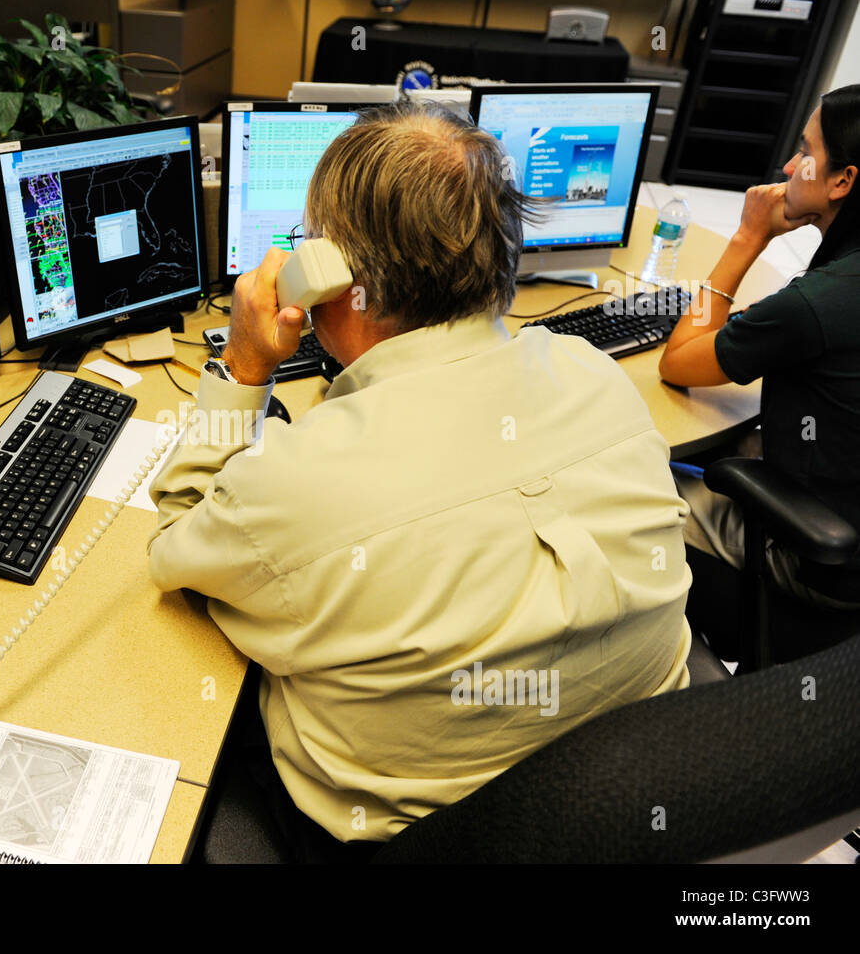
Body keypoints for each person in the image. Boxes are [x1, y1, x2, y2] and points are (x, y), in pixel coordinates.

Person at [146, 102, 692, 858]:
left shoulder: (300, 484)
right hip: (624, 800)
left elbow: (178, 536)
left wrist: (244, 366)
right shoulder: (591, 372)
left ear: (333, 278)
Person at [659, 85, 860, 630]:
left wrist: (748, 236)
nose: (790, 165)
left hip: (813, 564)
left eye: (807, 153)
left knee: (627, 497)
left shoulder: (817, 304)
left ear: (842, 182)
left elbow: (677, 362)